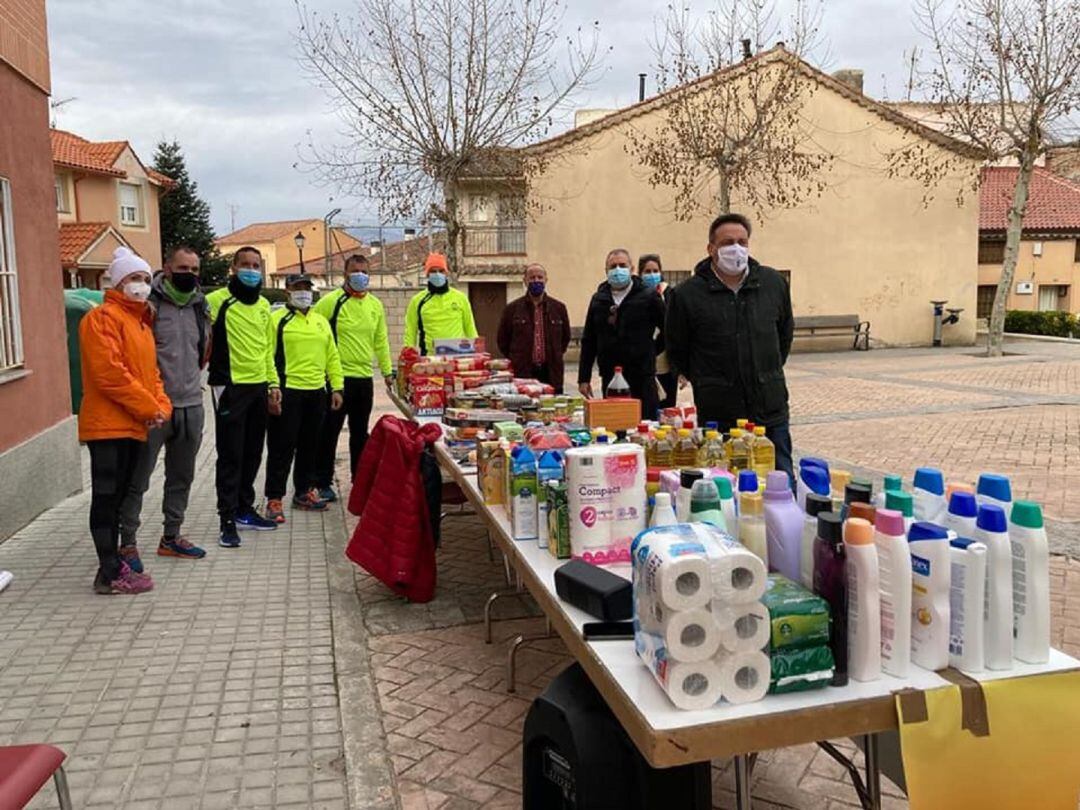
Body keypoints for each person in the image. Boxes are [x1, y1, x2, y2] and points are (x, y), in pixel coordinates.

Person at [665, 213, 795, 481]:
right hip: (720, 416)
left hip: (770, 411)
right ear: (711, 249)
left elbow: (783, 337)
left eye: (742, 241)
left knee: (780, 483)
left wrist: (765, 370)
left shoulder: (773, 284)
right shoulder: (687, 295)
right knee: (725, 490)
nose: (736, 248)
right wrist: (708, 380)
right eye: (727, 242)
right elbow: (678, 348)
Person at [78, 247, 171, 594]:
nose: (141, 285)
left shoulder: (141, 323)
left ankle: (114, 565)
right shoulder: (101, 319)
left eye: (146, 279)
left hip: (134, 424)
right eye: (134, 278)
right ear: (118, 281)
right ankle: (109, 572)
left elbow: (152, 375)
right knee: (106, 498)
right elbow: (110, 375)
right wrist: (150, 408)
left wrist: (161, 405)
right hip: (108, 426)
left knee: (118, 500)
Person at [118, 245, 210, 567]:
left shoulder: (201, 305)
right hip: (154, 409)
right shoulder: (148, 305)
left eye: (195, 270)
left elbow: (203, 349)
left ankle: (171, 537)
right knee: (138, 479)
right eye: (183, 269)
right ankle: (126, 543)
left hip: (192, 405)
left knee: (181, 476)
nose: (190, 275)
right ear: (167, 270)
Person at [206, 246, 281, 548]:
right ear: (233, 268)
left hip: (258, 386)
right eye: (245, 265)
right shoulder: (216, 301)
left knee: (253, 452)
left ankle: (244, 509)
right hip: (229, 387)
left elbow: (267, 350)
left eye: (256, 265)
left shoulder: (264, 305)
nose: (251, 270)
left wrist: (273, 384)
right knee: (230, 454)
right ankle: (226, 519)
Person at [264, 274, 345, 522]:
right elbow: (267, 354)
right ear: (287, 291)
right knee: (282, 446)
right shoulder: (277, 319)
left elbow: (332, 355)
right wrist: (272, 386)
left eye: (306, 288)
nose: (303, 292)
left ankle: (303, 492)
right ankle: (274, 498)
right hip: (288, 390)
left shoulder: (320, 321)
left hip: (316, 391)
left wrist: (337, 387)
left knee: (311, 445)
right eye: (297, 288)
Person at [312, 255, 393, 500]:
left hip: (364, 377)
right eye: (355, 271)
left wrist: (388, 372)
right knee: (330, 431)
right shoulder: (331, 302)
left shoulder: (375, 305)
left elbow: (381, 340)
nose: (360, 275)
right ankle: (322, 481)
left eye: (364, 271)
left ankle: (360, 480)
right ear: (345, 274)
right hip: (337, 379)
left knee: (360, 433)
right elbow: (313, 330)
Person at [578, 248, 665, 419]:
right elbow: (589, 340)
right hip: (610, 375)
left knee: (645, 423)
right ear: (606, 271)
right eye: (613, 266)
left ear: (632, 269)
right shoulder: (599, 299)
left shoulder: (648, 296)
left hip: (641, 375)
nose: (618, 270)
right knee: (615, 423)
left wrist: (652, 350)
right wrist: (584, 378)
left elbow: (669, 329)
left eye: (622, 265)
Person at [496, 263, 571, 392]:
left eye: (540, 277)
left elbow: (565, 338)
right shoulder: (512, 309)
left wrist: (554, 354)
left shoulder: (558, 308)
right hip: (523, 374)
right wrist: (518, 358)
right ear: (525, 281)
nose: (536, 281)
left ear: (546, 280)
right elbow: (503, 341)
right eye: (532, 278)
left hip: (551, 373)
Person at [403, 252, 478, 354]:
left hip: (457, 357)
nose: (437, 274)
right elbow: (410, 331)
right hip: (429, 359)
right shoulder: (417, 301)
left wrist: (477, 352)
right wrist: (408, 354)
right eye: (433, 271)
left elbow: (470, 328)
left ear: (446, 273)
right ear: (427, 274)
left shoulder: (460, 298)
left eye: (441, 271)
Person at [639, 253, 678, 410]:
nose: (652, 275)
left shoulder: (670, 294)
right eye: (647, 271)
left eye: (655, 271)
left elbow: (673, 327)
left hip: (665, 359)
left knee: (666, 406)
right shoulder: (637, 295)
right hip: (642, 359)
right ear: (640, 274)